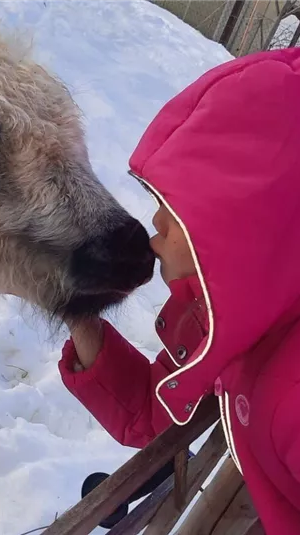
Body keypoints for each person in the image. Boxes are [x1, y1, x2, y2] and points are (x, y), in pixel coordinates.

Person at [58, 47, 300, 535]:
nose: (155, 225)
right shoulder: (228, 319)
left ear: (239, 226)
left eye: (175, 206)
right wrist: (77, 313)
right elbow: (152, 410)